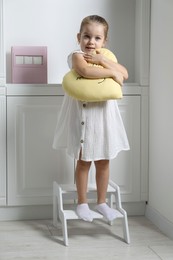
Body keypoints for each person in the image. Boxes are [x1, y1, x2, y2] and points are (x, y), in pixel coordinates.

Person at [53, 15, 130, 222]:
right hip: (83, 119)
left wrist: (103, 61)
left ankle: (102, 202)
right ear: (79, 37)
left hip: (103, 119)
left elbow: (125, 73)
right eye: (86, 36)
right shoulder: (77, 55)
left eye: (97, 38)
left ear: (104, 41)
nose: (91, 42)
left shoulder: (106, 58)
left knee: (104, 162)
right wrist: (112, 74)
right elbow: (85, 71)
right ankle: (82, 203)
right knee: (84, 161)